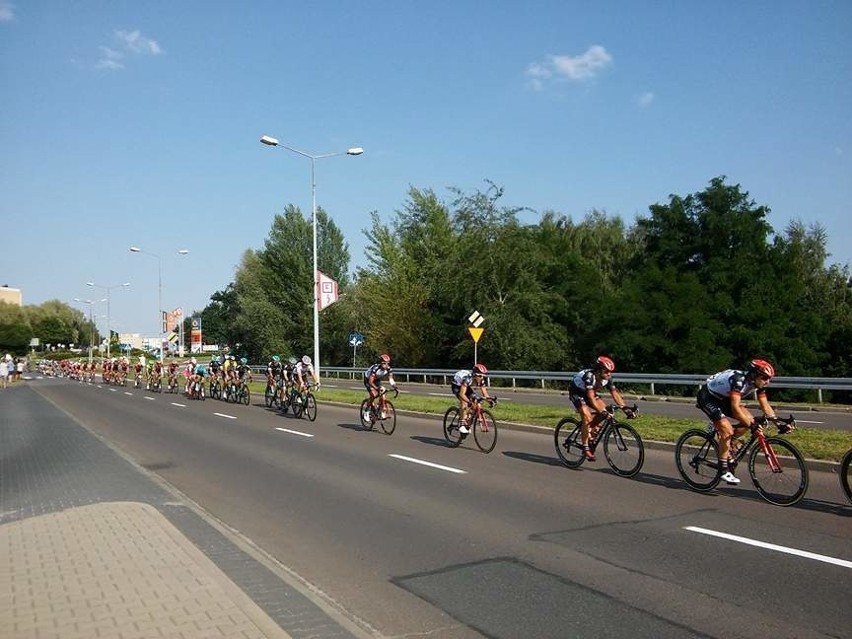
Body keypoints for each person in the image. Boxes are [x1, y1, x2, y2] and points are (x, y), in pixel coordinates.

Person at [696, 359, 784, 485]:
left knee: (750, 420)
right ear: (755, 374)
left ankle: (728, 442)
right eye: (765, 378)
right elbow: (736, 409)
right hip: (708, 397)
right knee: (728, 430)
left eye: (769, 379)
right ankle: (723, 469)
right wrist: (751, 425)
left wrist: (779, 424)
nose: (767, 382)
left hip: (724, 398)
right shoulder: (739, 381)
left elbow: (765, 406)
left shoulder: (757, 383)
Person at [567, 356, 634, 462]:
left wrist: (626, 409)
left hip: (590, 392)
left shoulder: (608, 378)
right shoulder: (589, 376)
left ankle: (590, 429)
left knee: (606, 411)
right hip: (577, 392)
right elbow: (590, 397)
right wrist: (601, 412)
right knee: (586, 416)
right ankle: (585, 447)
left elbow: (615, 394)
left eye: (610, 371)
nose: (609, 373)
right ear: (599, 370)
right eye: (606, 371)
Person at [451, 363, 493, 435]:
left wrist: (490, 401)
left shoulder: (481, 380)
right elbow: (462, 394)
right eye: (480, 376)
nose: (481, 378)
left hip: (466, 387)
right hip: (457, 386)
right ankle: (462, 423)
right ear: (474, 375)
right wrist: (469, 402)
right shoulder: (467, 378)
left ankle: (467, 418)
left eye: (483, 376)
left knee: (476, 403)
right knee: (465, 402)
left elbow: (485, 394)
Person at [362, 353, 398, 421]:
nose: (386, 365)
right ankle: (366, 411)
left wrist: (395, 386)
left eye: (387, 363)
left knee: (383, 393)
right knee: (373, 394)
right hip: (368, 379)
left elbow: (390, 379)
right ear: (381, 363)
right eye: (384, 363)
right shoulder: (375, 368)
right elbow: (370, 382)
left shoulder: (389, 369)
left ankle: (381, 410)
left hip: (377, 379)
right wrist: (376, 388)